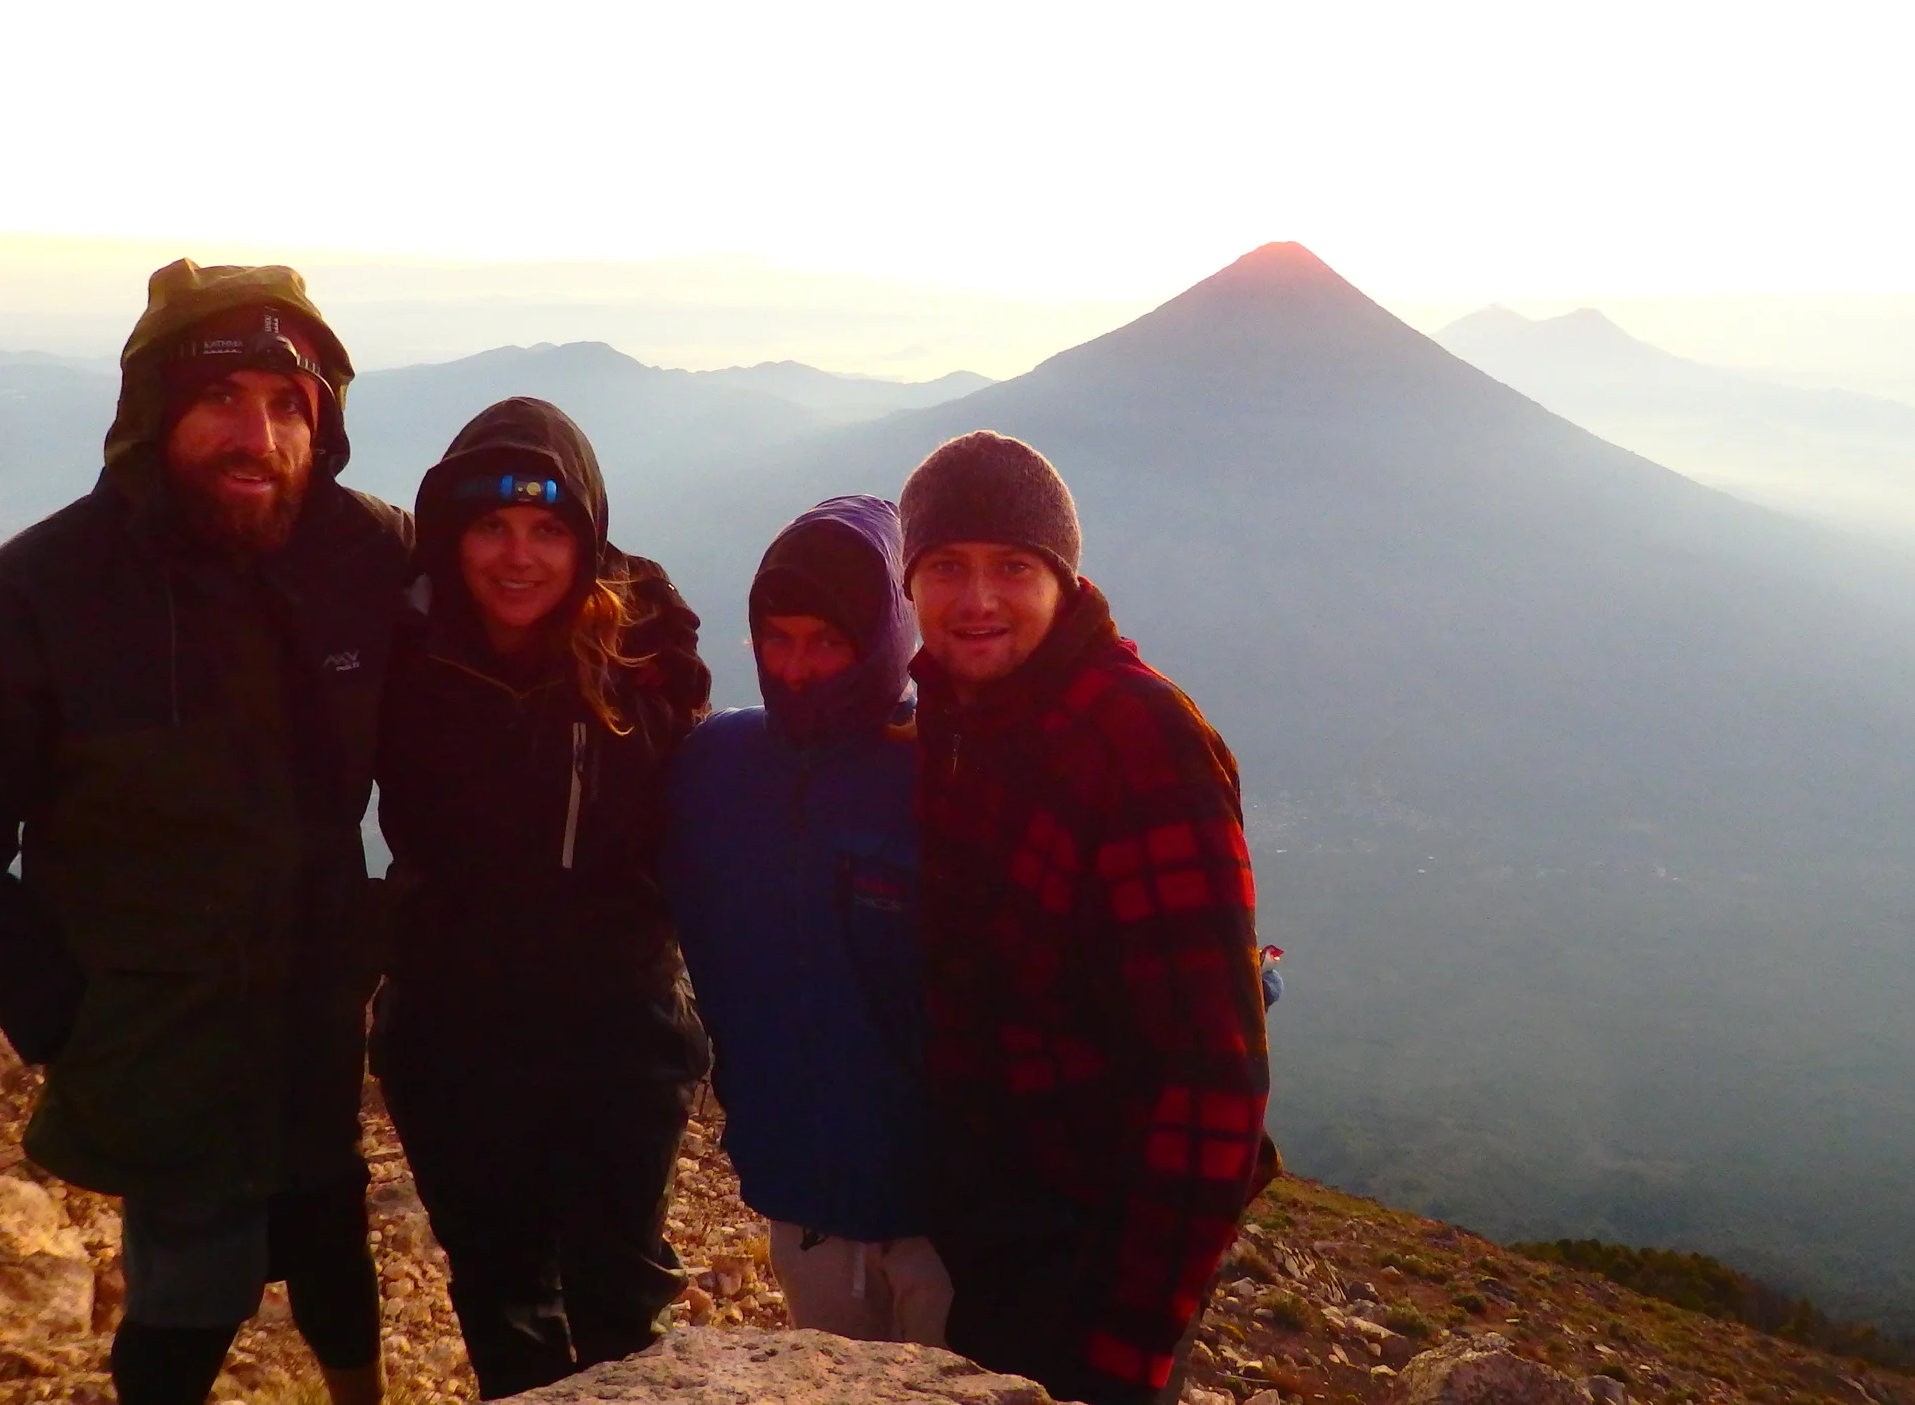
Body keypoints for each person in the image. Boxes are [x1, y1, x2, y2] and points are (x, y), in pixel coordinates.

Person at [0, 262, 408, 1405]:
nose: (256, 435)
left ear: (323, 423)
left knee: (331, 1228)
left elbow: (531, 581)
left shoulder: (364, 554)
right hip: (162, 1030)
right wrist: (46, 992)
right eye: (220, 398)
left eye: (287, 403)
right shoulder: (36, 602)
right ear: (154, 409)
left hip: (315, 1012)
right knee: (189, 1288)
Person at [900, 432, 1274, 1405]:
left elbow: (1215, 1079)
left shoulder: (1140, 740)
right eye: (946, 566)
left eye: (1012, 567)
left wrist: (1129, 1345)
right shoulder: (955, 716)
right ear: (910, 582)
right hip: (995, 1212)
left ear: (1063, 581)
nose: (976, 599)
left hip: (1100, 1240)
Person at [371, 397, 712, 1400]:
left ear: (586, 539)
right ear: (452, 533)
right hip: (454, 1027)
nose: (518, 556)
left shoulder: (644, 659)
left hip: (616, 1030)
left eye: (548, 529)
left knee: (621, 1300)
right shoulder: (401, 651)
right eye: (492, 525)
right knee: (500, 1293)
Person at [666, 495, 951, 1345]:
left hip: (950, 1221)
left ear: (885, 641)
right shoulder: (716, 768)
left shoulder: (949, 772)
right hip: (803, 1202)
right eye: (776, 639)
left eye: (827, 641)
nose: (795, 669)